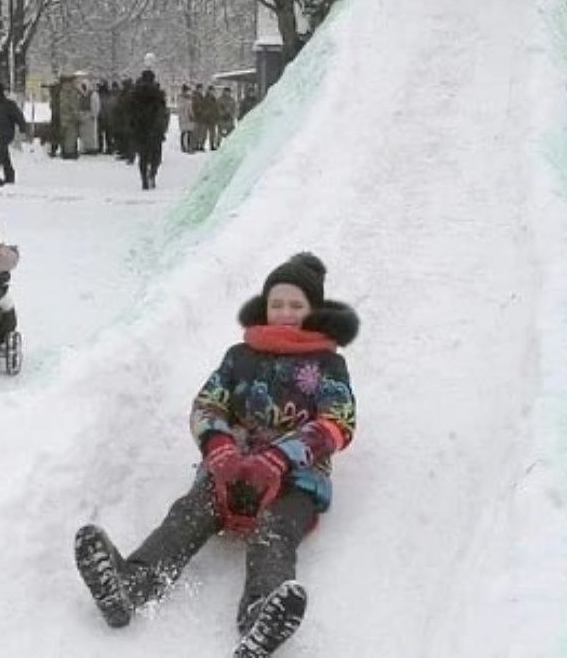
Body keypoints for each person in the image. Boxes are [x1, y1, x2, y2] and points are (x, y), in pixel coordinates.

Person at [74, 253, 358, 656]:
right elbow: (207, 405)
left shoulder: (327, 364)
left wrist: (282, 455)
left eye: (296, 305)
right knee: (188, 514)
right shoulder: (239, 357)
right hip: (232, 470)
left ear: (313, 311)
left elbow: (338, 420)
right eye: (277, 303)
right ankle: (131, 585)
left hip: (294, 479)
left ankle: (260, 616)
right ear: (265, 306)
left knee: (273, 534)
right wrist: (219, 447)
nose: (285, 313)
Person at [129, 69, 170, 190]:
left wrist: (132, 127)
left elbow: (130, 113)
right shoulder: (158, 93)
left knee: (143, 156)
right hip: (155, 129)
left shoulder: (135, 93)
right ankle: (152, 174)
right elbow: (163, 112)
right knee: (156, 156)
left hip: (140, 129)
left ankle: (144, 179)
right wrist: (162, 127)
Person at [177, 83, 195, 153]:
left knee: (190, 133)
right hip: (184, 117)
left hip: (189, 117)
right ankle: (184, 147)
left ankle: (189, 147)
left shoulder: (189, 98)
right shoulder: (181, 98)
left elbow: (190, 108)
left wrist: (192, 115)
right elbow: (182, 108)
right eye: (187, 90)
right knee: (184, 133)